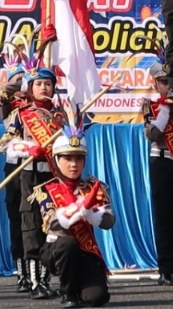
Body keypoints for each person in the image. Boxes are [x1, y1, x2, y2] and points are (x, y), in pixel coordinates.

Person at [0, 50, 65, 300]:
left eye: (48, 83)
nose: (44, 88)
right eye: (39, 84)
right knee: (31, 225)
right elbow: (5, 143)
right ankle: (34, 281)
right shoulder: (22, 114)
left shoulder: (60, 115)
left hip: (55, 176)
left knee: (53, 225)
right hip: (30, 175)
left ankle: (46, 279)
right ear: (30, 87)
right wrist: (26, 148)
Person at [34, 124, 115, 308]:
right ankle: (68, 293)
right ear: (56, 160)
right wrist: (80, 208)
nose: (73, 164)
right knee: (68, 244)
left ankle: (81, 285)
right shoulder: (46, 189)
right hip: (57, 248)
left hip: (86, 250)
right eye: (67, 158)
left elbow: (110, 221)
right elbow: (53, 223)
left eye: (78, 159)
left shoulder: (94, 187)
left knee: (97, 298)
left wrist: (94, 214)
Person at [141, 42, 173, 286]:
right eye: (162, 82)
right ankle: (164, 268)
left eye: (170, 81)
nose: (167, 86)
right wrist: (165, 111)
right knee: (164, 216)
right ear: (155, 83)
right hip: (161, 162)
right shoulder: (150, 105)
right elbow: (153, 134)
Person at [0, 42, 30, 292]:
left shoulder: (45, 107)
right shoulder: (11, 107)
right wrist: (23, 71)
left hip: (40, 168)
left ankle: (41, 270)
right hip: (15, 166)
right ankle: (22, 272)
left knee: (39, 219)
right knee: (17, 219)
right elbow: (6, 89)